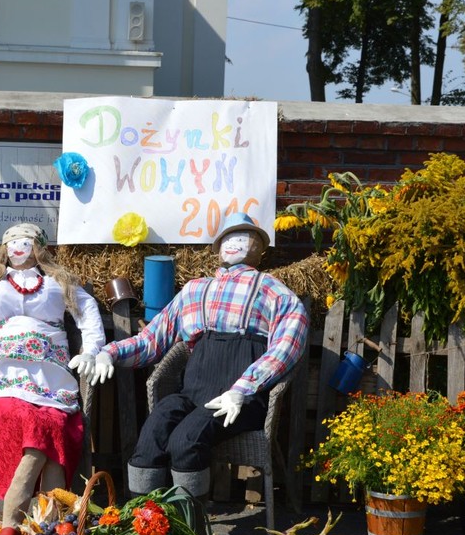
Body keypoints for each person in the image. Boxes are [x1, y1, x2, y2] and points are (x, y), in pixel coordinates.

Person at [78, 212, 309, 500]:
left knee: (186, 440)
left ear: (257, 249)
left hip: (239, 399)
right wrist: (109, 353)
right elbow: (153, 338)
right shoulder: (196, 290)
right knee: (153, 432)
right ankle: (141, 519)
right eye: (228, 237)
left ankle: (189, 525)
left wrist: (242, 389)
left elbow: (285, 349)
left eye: (242, 238)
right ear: (218, 246)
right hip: (193, 391)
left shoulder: (276, 293)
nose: (233, 243)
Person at [0, 223, 105, 535]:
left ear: (39, 248)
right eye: (12, 243)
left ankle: (14, 528)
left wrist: (91, 351)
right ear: (3, 248)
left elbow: (89, 315)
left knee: (52, 420)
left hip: (53, 380)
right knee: (37, 424)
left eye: (26, 242)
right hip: (2, 379)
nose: (18, 248)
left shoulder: (59, 280)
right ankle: (47, 528)